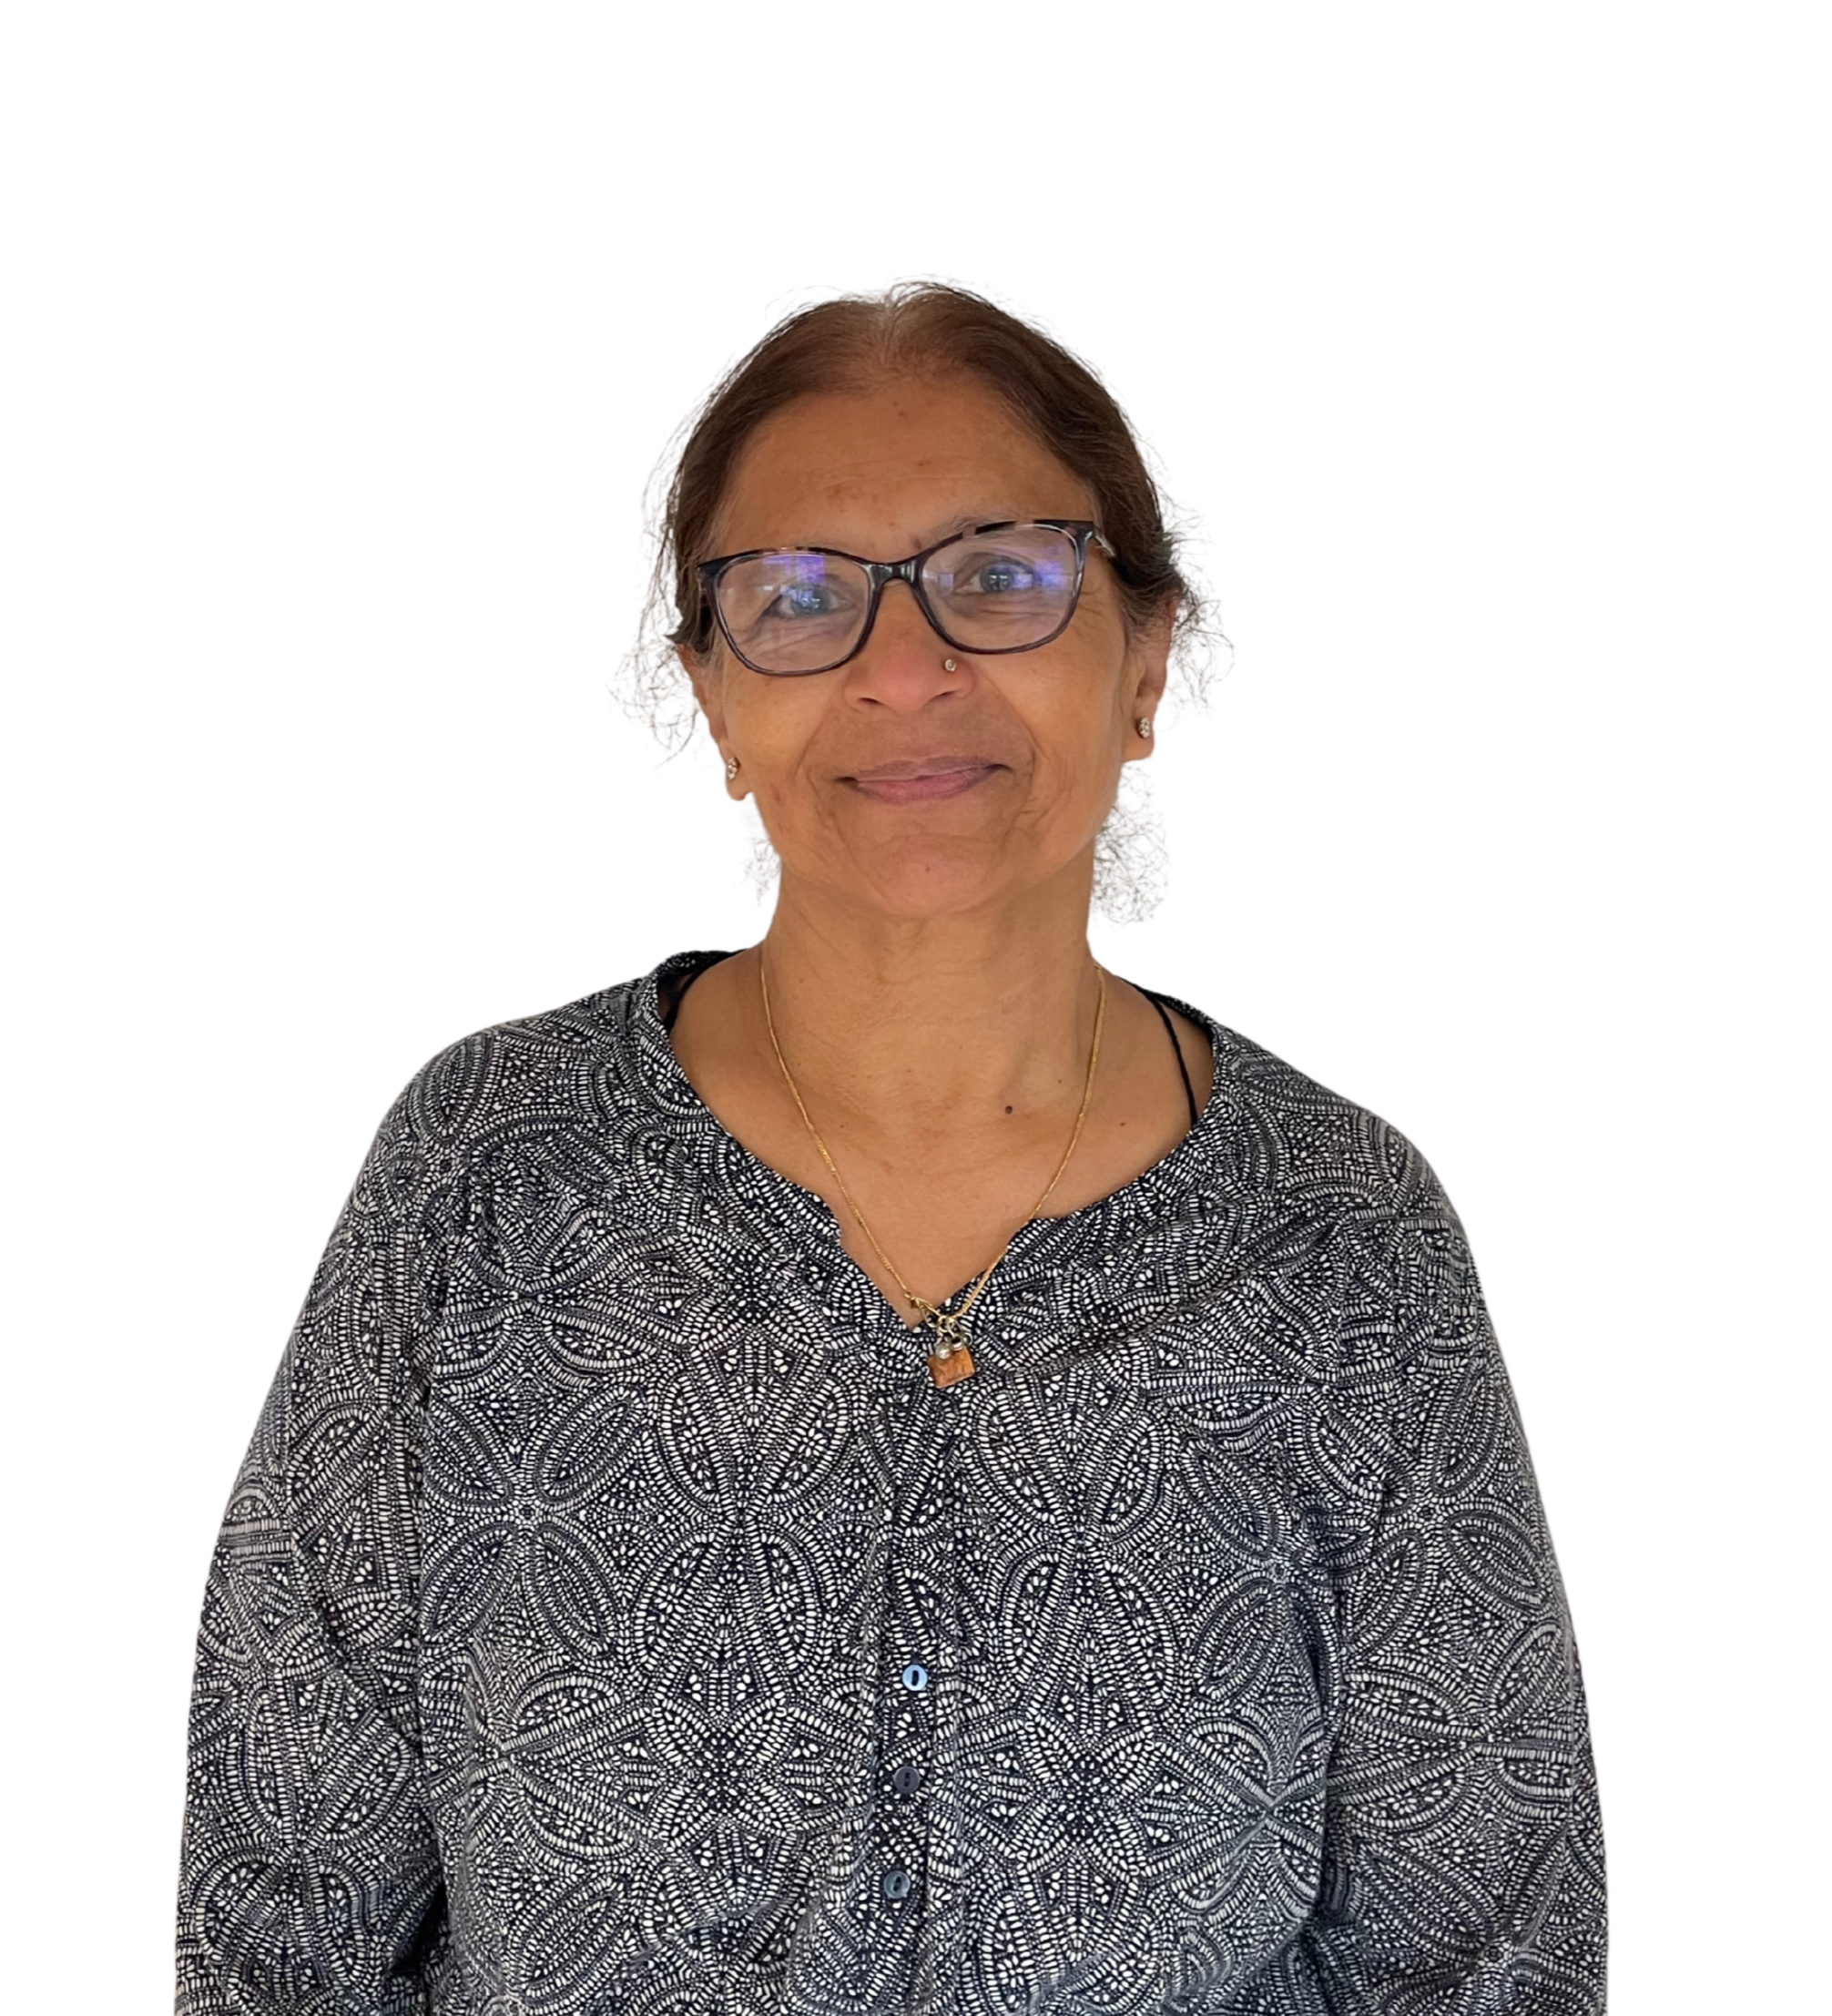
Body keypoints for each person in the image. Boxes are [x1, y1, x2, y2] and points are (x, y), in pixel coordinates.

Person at [175, 277, 1609, 2012]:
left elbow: (1493, 1955)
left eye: (1001, 576)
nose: (905, 669)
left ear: (1149, 655)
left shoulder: (1342, 1236)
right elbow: (274, 1920)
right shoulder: (484, 1170)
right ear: (707, 694)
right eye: (799, 598)